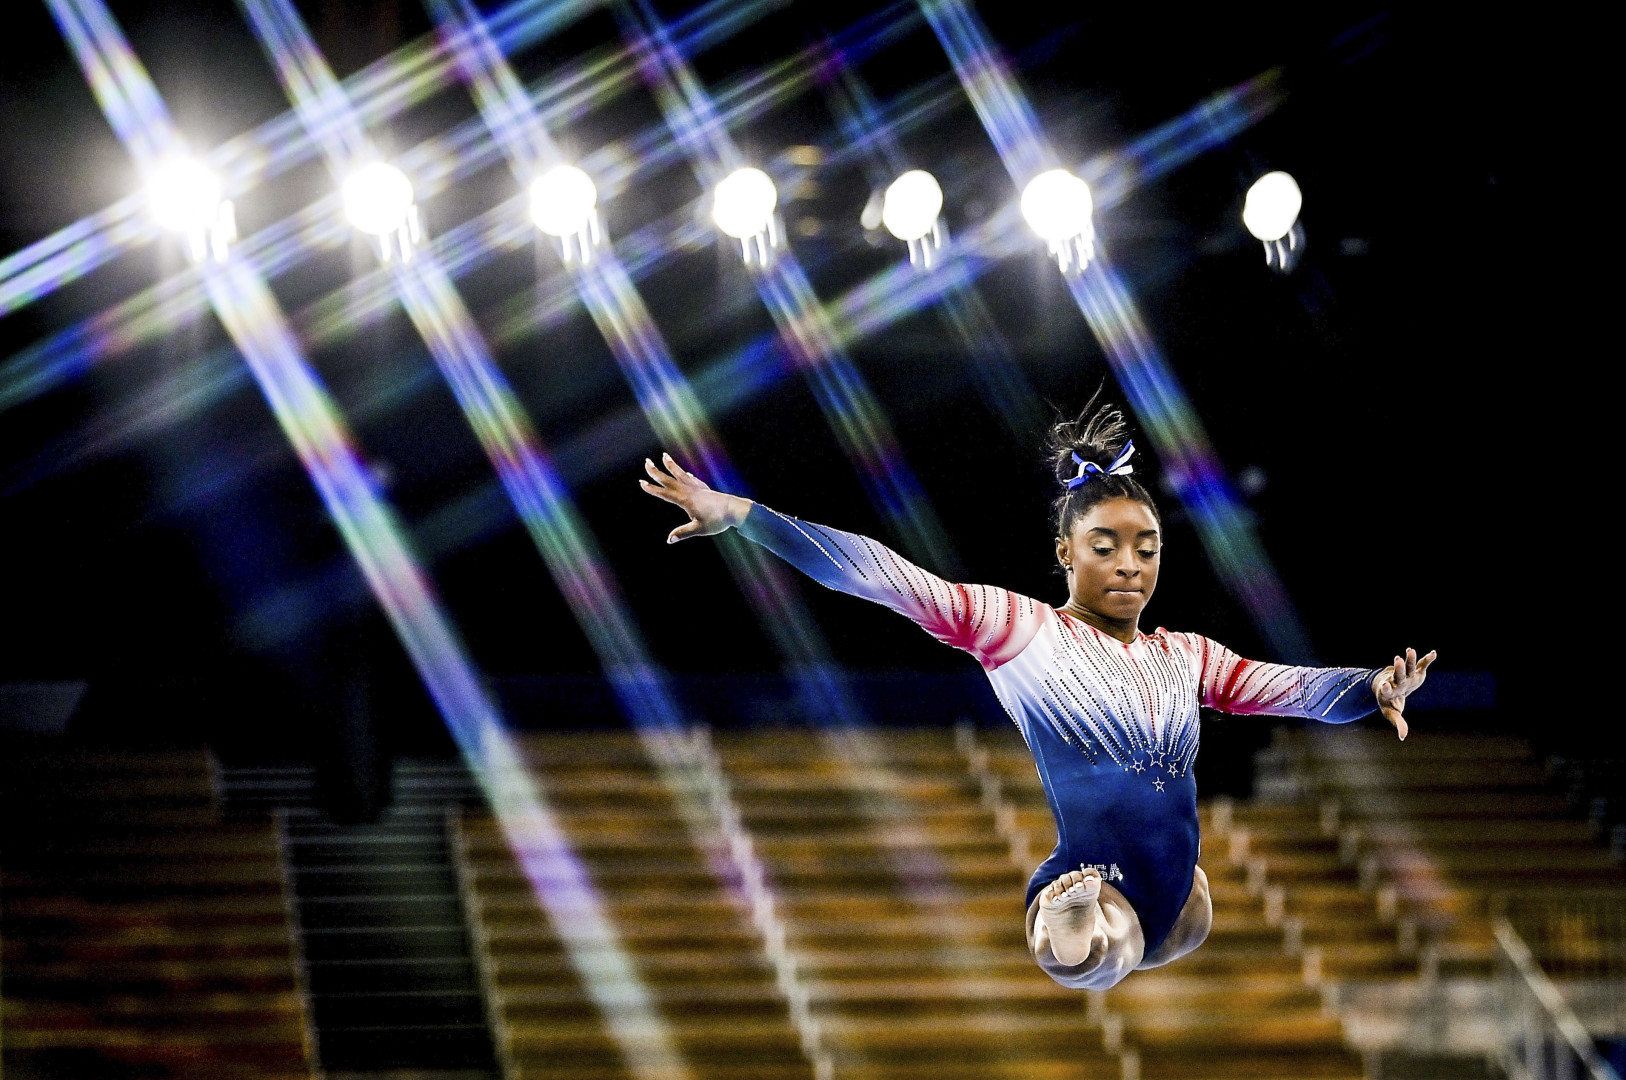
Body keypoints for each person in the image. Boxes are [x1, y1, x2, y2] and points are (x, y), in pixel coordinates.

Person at [638, 397, 1434, 990]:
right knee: (1103, 953)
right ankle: (1069, 926)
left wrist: (1370, 687)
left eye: (1146, 549)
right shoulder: (1020, 629)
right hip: (1095, 881)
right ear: (1065, 553)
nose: (1130, 564)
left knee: (1187, 917)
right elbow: (882, 577)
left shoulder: (1186, 655)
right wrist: (743, 515)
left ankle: (1103, 925)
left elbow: (1289, 688)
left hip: (1179, 900)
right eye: (1106, 546)